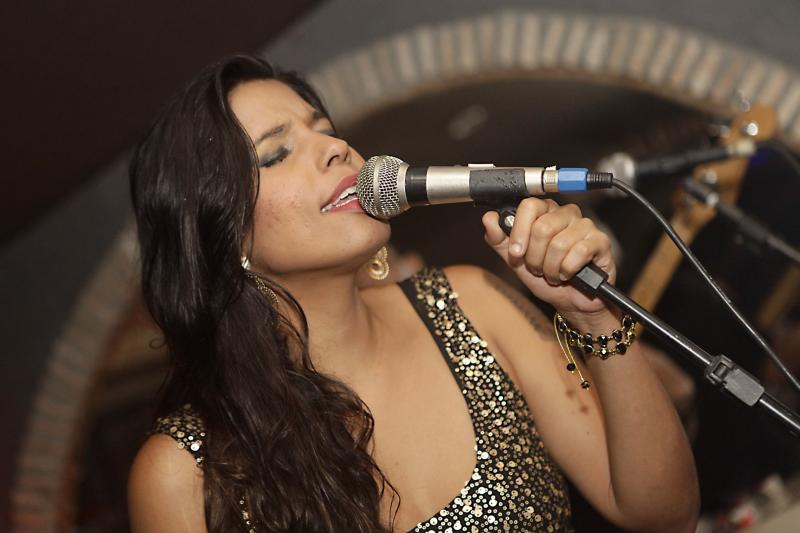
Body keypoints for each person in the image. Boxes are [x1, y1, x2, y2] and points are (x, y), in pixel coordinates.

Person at [127, 55, 699, 532]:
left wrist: (595, 317)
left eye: (324, 129)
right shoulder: (182, 475)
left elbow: (664, 514)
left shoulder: (469, 303)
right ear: (223, 238)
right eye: (277, 154)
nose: (336, 148)